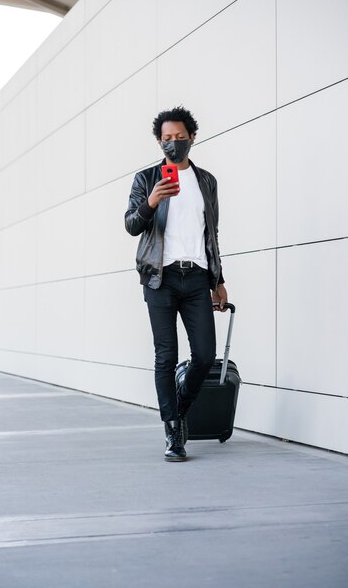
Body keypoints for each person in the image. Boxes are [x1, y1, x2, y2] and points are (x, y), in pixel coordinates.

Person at [125, 106, 228, 462]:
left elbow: (211, 234)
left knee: (204, 355)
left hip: (197, 277)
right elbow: (131, 225)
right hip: (160, 278)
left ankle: (180, 407)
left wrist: (219, 280)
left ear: (192, 137)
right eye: (166, 139)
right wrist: (152, 202)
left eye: (179, 138)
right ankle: (173, 430)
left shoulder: (206, 182)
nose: (173, 144)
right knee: (165, 356)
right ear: (159, 141)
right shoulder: (146, 178)